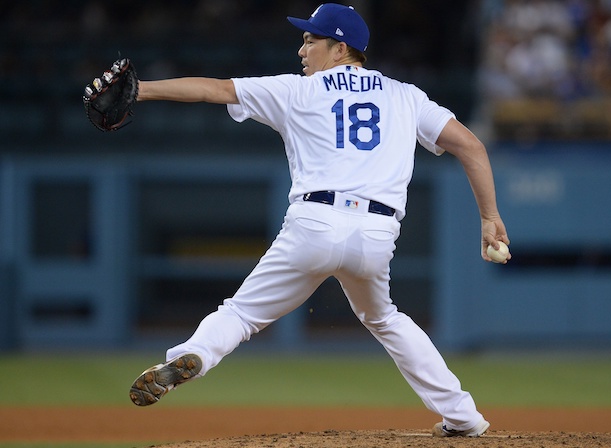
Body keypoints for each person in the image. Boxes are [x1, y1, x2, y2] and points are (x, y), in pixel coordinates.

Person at [128, 3, 510, 438]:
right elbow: (472, 146)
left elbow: (214, 90)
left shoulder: (299, 91)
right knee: (385, 318)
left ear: (340, 47)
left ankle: (191, 355)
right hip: (376, 234)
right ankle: (463, 417)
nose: (302, 49)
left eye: (311, 39)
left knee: (241, 313)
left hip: (314, 222)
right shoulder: (406, 96)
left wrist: (141, 90)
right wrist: (489, 217)